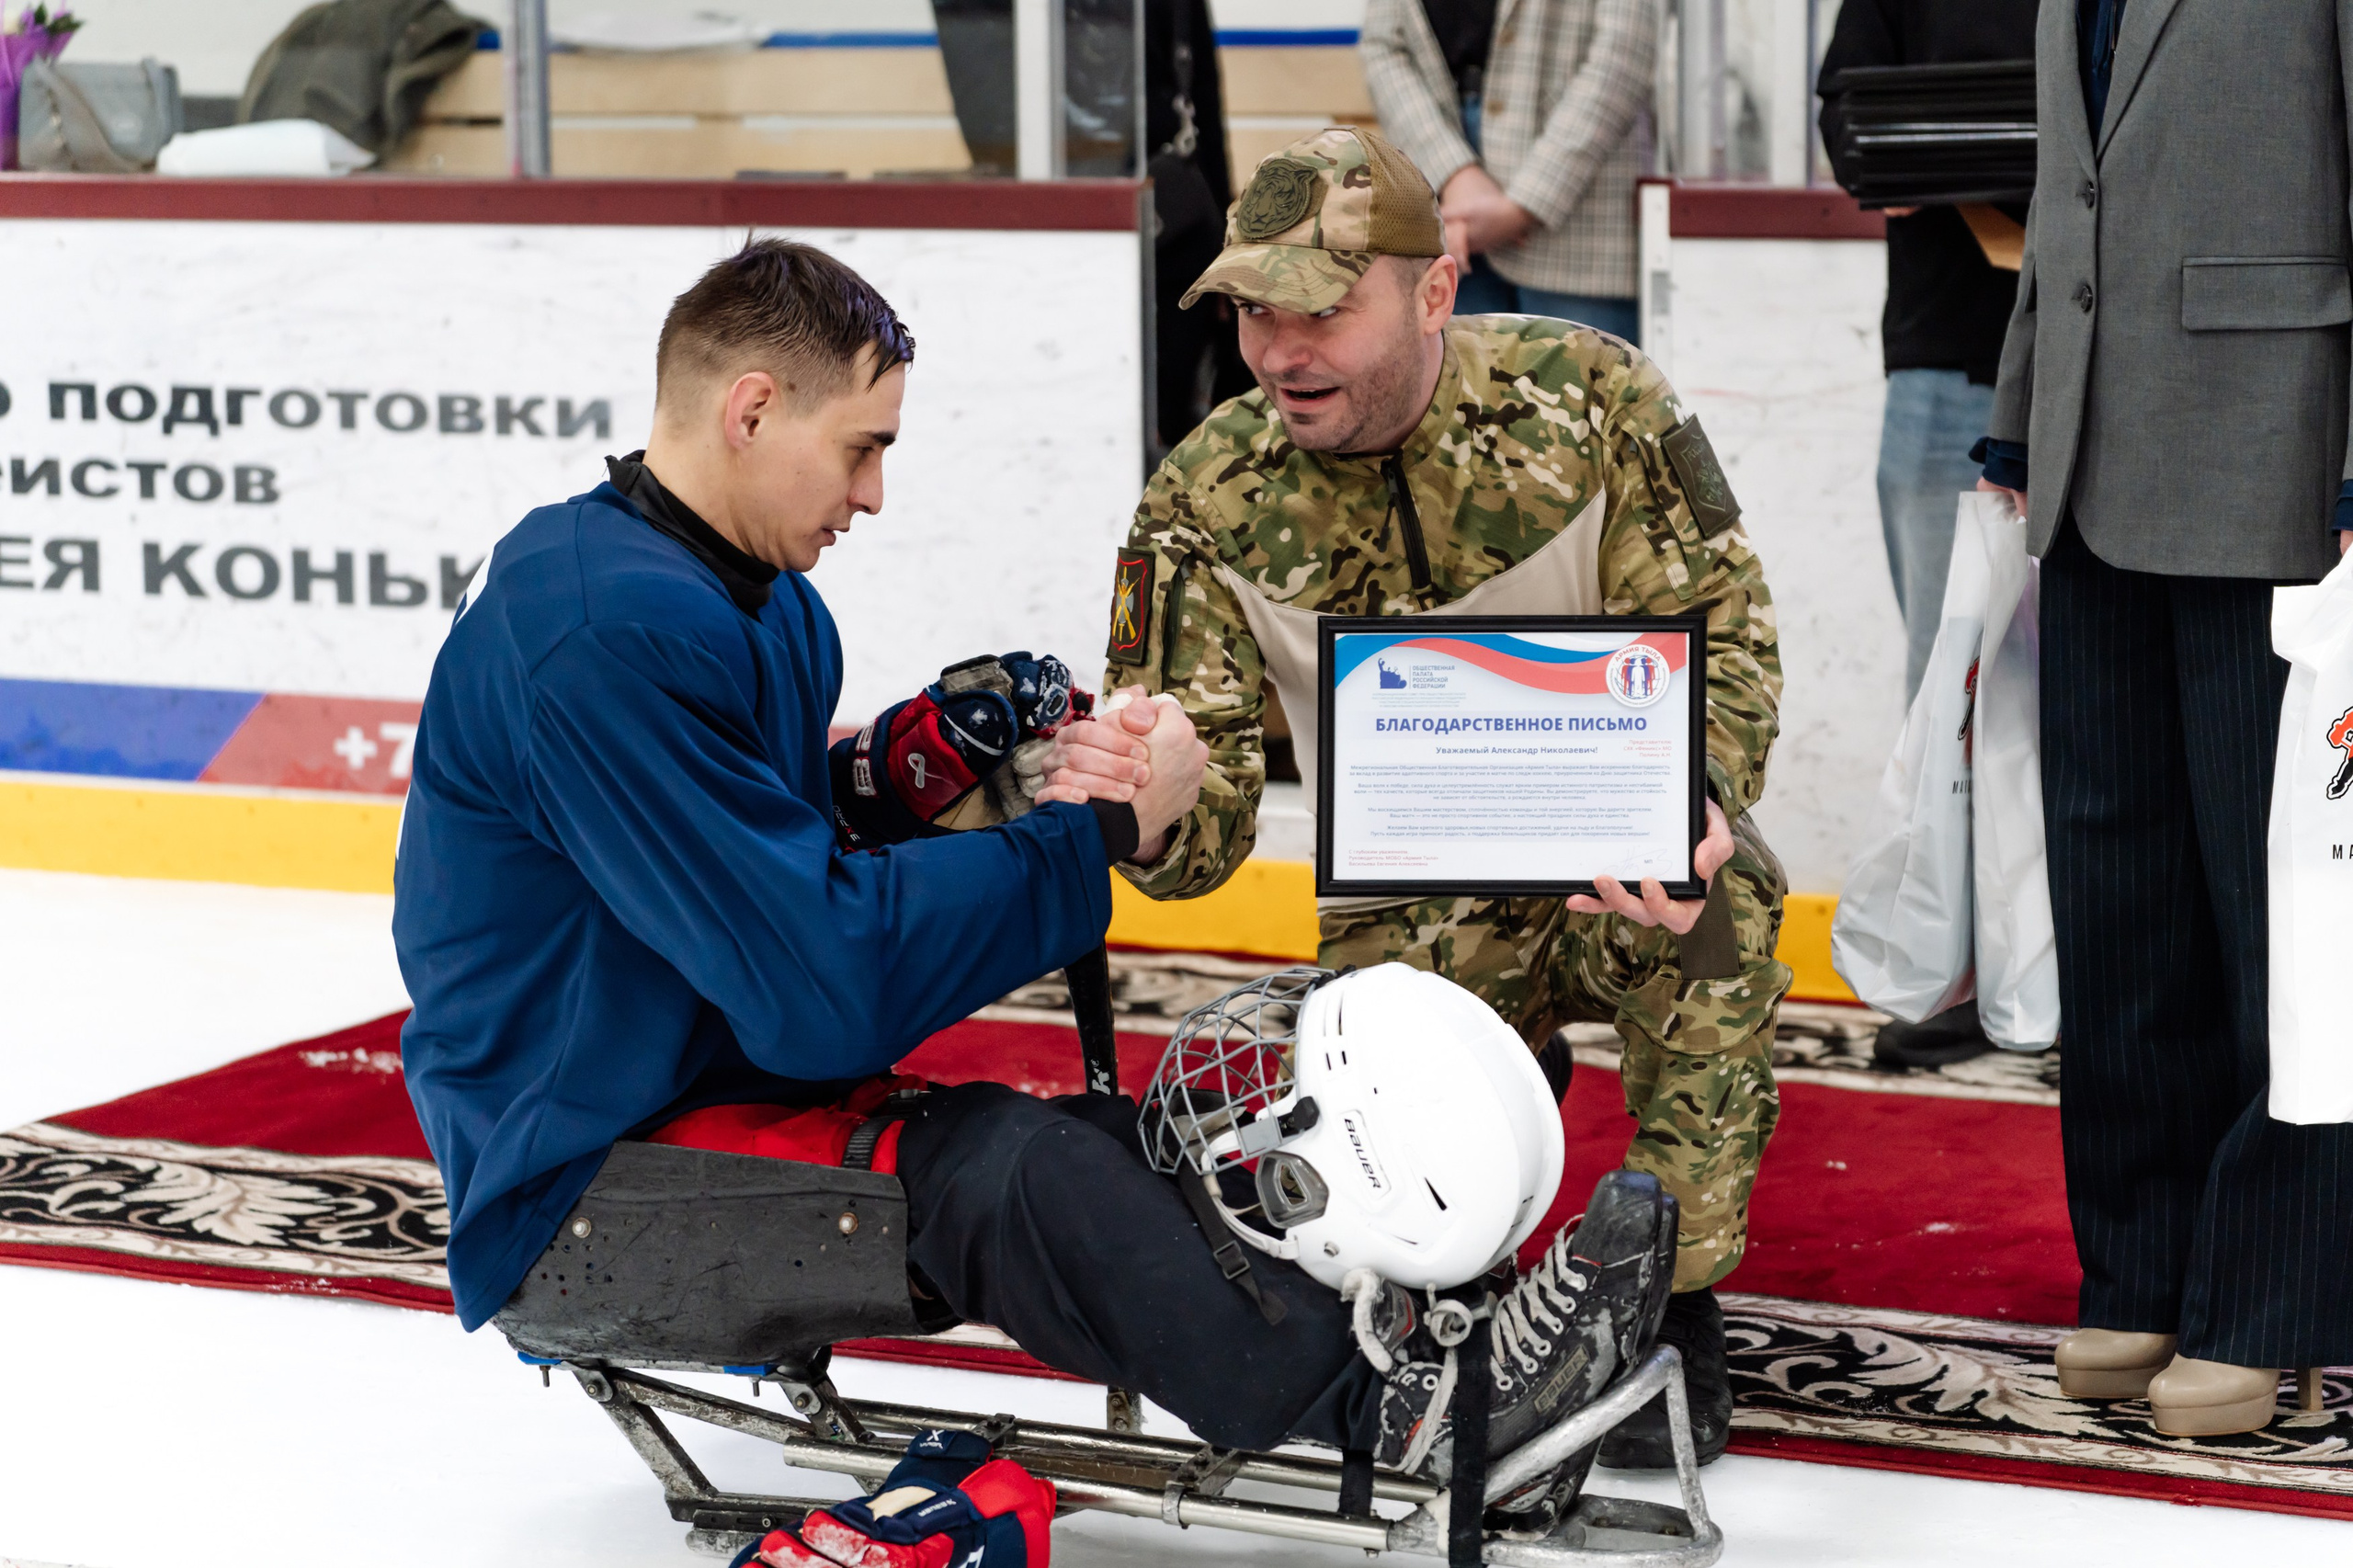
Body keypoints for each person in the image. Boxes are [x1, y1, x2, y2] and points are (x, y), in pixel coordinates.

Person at [390, 238, 1674, 1499]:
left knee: (1133, 1142)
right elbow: (817, 979)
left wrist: (900, 769)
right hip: (582, 1189)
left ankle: (1414, 1327)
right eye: (864, 446)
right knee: (1012, 1175)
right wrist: (1094, 836)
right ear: (752, 408)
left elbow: (750, 843)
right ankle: (1415, 1422)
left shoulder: (753, 596)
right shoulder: (598, 631)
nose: (875, 493)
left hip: (683, 1094)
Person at [1091, 125, 1787, 1467]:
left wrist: (1696, 796)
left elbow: (1729, 636)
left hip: (1607, 862)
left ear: (1433, 290)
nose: (1279, 350)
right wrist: (1158, 805)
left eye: (1320, 309)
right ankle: (1471, 1237)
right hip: (1403, 907)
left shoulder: (1590, 401)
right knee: (1421, 1232)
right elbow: (1203, 821)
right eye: (1251, 309)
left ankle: (1675, 1294)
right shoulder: (1205, 498)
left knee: (1730, 900)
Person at [1976, 0, 2353, 1435]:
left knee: (2282, 924)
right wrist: (2020, 412)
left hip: (2277, 463)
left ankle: (2269, 1300)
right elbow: (2070, 193)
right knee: (2120, 897)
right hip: (2086, 463)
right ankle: (2141, 1264)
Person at [1816, 0, 2039, 1070]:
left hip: (2117, 354)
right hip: (1946, 353)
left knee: (2099, 686)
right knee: (1941, 690)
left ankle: (2081, 972)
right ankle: (1951, 966)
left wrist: (1959, 147)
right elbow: (1849, 123)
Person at [1360, 0, 1654, 343]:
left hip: (1579, 212)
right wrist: (1453, 172)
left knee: (1584, 387)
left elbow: (1625, 50)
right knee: (1460, 388)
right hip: (1443, 192)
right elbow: (1383, 45)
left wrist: (1527, 203)